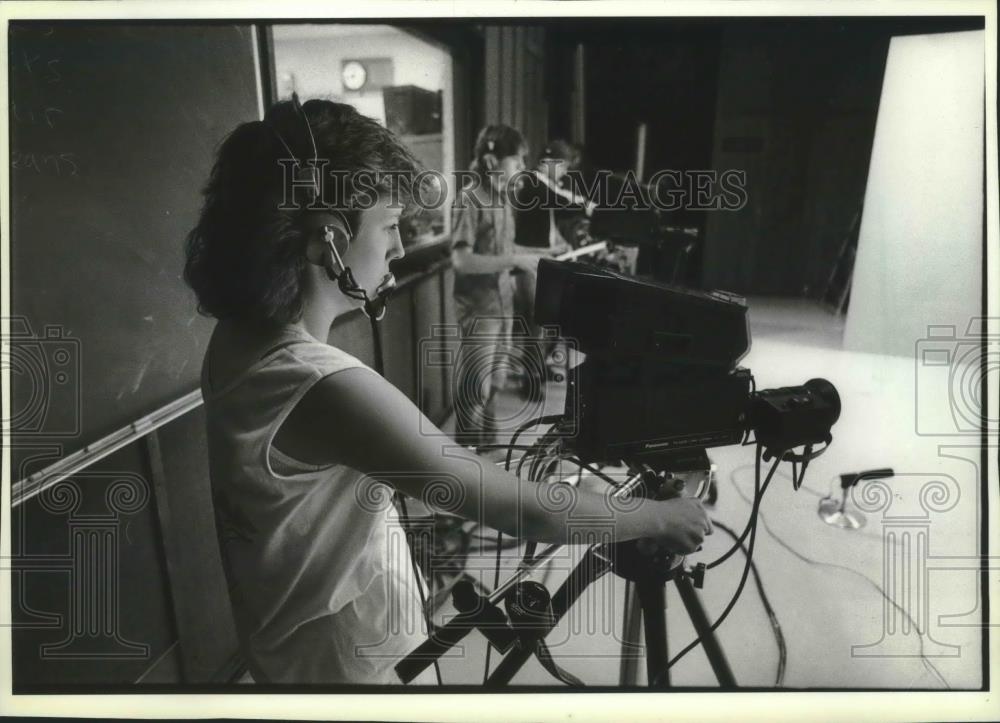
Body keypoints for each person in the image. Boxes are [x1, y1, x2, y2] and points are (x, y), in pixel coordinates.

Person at [184, 98, 712, 685]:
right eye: (389, 227)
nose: (400, 249)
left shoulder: (234, 342)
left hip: (289, 653)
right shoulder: (325, 388)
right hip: (351, 671)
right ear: (327, 242)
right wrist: (660, 516)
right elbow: (524, 510)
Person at [449, 124, 551, 443]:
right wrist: (514, 261)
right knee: (476, 389)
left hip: (503, 307)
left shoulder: (504, 200)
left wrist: (543, 254)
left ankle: (487, 451)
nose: (522, 169)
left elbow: (507, 251)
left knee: (495, 384)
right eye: (517, 162)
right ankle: (464, 464)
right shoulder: (469, 200)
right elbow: (461, 260)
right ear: (492, 163)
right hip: (480, 312)